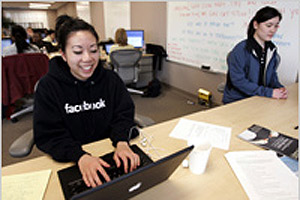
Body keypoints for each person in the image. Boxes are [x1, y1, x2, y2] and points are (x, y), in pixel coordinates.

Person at [33, 16, 140, 188]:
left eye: (93, 50)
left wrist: (122, 142)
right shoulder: (48, 87)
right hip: (72, 160)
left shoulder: (111, 80)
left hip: (111, 154)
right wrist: (80, 156)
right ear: (64, 55)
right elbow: (49, 134)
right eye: (77, 52)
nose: (87, 58)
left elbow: (123, 114)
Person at [222, 6, 288, 104]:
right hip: (238, 100)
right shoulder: (241, 50)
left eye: (276, 26)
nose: (273, 30)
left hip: (260, 97)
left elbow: (272, 75)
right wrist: (269, 92)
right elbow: (239, 81)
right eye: (269, 25)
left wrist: (278, 87)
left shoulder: (271, 50)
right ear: (256, 25)